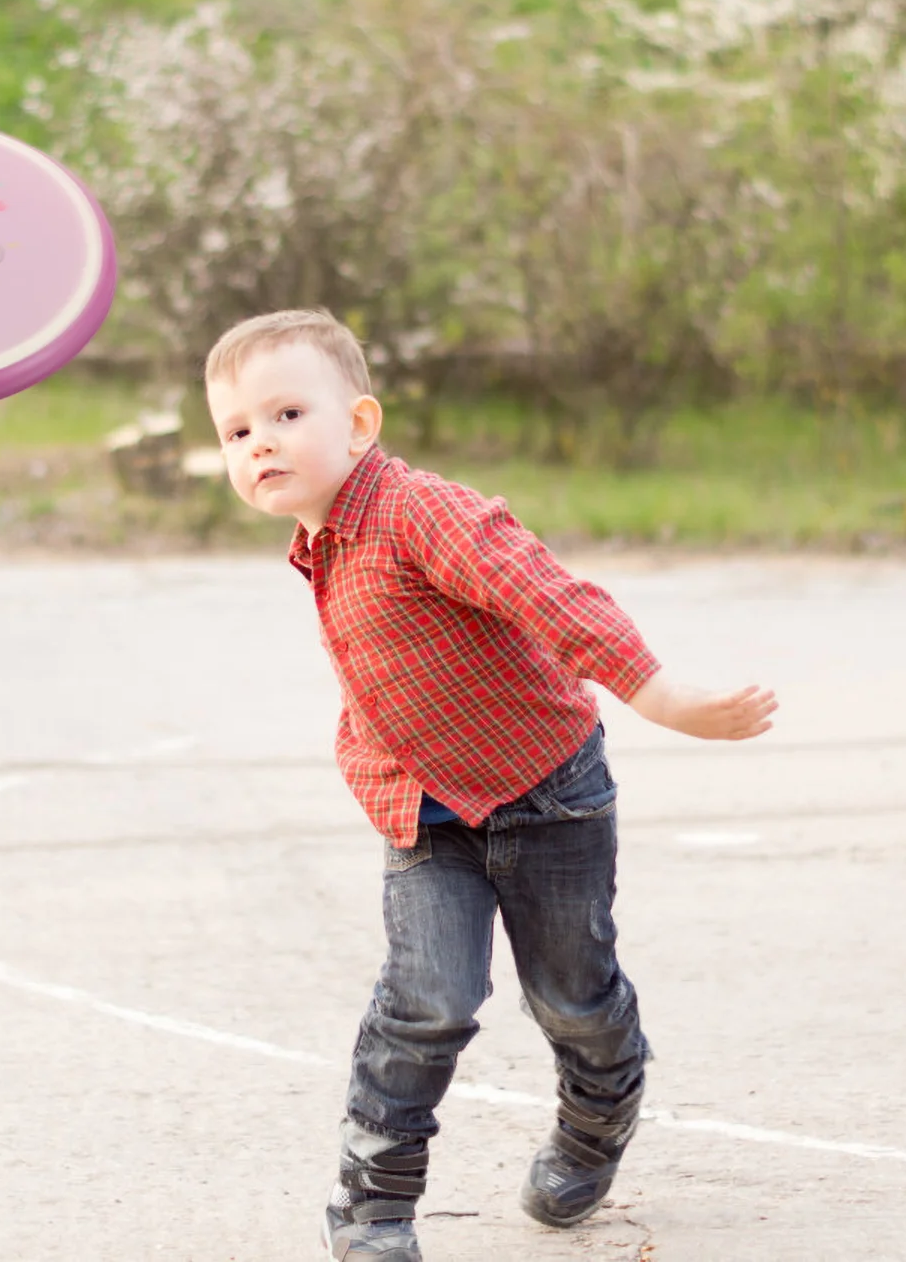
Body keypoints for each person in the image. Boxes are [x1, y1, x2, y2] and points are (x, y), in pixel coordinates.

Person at [203, 309, 778, 1262]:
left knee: (573, 999)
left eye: (288, 412)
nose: (261, 440)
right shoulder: (318, 541)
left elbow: (549, 597)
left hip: (547, 794)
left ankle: (595, 1121)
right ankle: (371, 1210)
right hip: (422, 812)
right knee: (426, 999)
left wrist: (660, 692)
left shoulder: (421, 511)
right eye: (236, 430)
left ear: (359, 424)